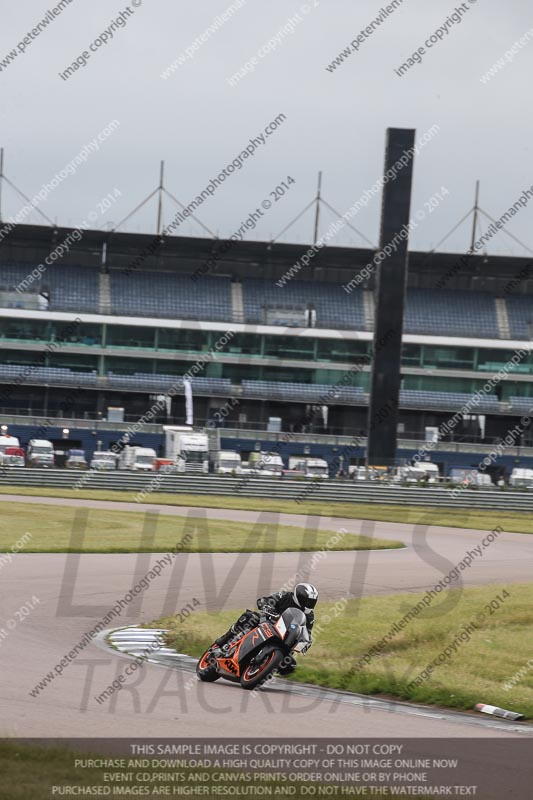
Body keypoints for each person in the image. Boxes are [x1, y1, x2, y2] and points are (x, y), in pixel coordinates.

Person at [211, 583, 319, 674]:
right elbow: (266, 600)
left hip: (285, 636)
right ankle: (223, 643)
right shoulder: (285, 596)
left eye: (312, 602)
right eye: (307, 601)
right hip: (269, 622)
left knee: (289, 664)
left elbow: (307, 632)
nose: (309, 604)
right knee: (250, 618)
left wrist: (306, 642)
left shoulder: (309, 616)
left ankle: (264, 668)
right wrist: (267, 605)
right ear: (298, 596)